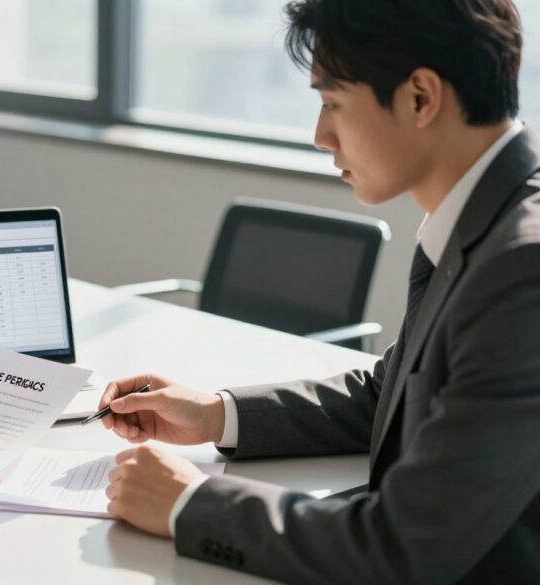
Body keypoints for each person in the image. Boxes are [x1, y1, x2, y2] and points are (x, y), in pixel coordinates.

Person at [98, 0, 540, 583]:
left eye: (332, 102)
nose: (319, 135)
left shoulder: (522, 267)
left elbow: (405, 548)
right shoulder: (484, 222)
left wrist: (187, 506)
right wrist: (215, 416)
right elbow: (392, 393)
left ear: (420, 98)